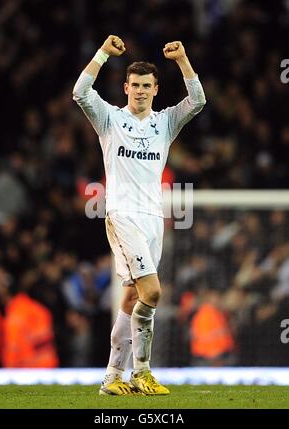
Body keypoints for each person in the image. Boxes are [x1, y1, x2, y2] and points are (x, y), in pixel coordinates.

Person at [73, 35, 206, 395]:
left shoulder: (165, 123)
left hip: (152, 218)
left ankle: (112, 377)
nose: (141, 91)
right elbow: (81, 92)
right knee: (153, 291)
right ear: (125, 87)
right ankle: (141, 372)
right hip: (122, 215)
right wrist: (102, 53)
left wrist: (183, 60)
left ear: (156, 89)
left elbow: (198, 100)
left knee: (132, 298)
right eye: (135, 85)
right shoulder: (110, 120)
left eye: (147, 85)